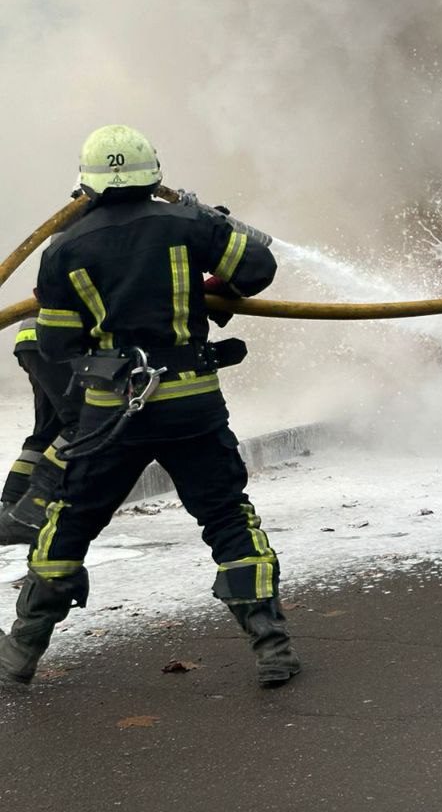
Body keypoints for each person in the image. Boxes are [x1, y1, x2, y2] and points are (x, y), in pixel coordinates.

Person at [0, 124, 300, 689]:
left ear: (86, 183)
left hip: (112, 415)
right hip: (192, 406)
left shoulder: (64, 248)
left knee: (70, 523)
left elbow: (59, 343)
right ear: (153, 174)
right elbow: (257, 269)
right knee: (228, 516)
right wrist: (210, 260)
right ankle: (271, 646)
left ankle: (21, 649)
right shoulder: (191, 223)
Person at [0, 318, 79, 546]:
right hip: (58, 342)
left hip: (33, 339)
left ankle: (12, 506)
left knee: (50, 430)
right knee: (83, 423)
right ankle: (29, 512)